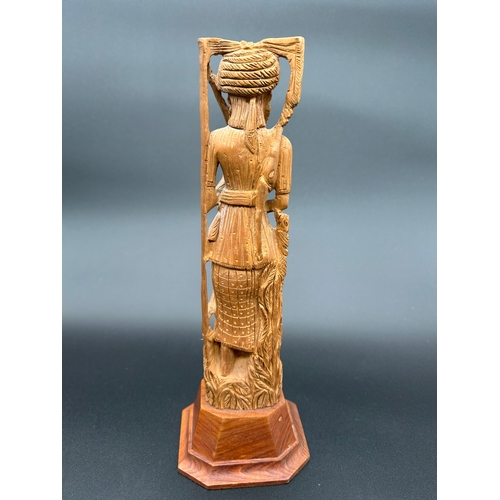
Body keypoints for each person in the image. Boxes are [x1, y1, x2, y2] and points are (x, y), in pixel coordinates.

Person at [202, 47, 292, 410]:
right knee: (257, 309)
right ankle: (249, 375)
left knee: (227, 304)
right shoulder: (280, 144)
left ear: (232, 97)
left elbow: (206, 199)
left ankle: (227, 369)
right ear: (263, 98)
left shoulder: (217, 139)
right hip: (257, 236)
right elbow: (281, 202)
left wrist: (230, 192)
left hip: (226, 235)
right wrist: (258, 197)